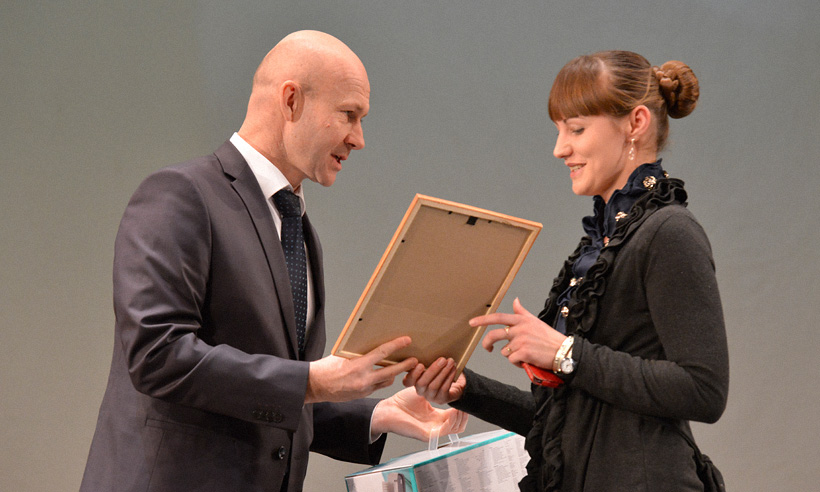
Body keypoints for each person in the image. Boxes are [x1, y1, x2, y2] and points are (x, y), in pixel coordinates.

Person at [80, 30, 466, 492]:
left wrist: (377, 414)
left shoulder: (298, 227)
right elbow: (157, 355)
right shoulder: (181, 195)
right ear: (291, 101)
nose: (359, 139)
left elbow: (270, 394)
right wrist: (313, 382)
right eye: (349, 114)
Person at [405, 50, 729, 491]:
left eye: (576, 129)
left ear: (636, 123)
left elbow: (704, 389)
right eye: (559, 131)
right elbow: (570, 425)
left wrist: (563, 352)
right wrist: (467, 389)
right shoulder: (603, 242)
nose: (560, 149)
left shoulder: (670, 231)